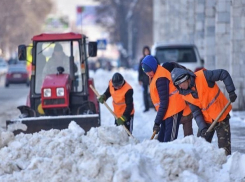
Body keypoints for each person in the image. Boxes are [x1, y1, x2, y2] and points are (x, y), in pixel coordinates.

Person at [171, 67, 237, 155]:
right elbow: (196, 112)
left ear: (185, 78)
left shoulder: (203, 76)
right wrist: (202, 127)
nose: (180, 86)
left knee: (224, 151)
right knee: (200, 149)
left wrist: (231, 91)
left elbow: (223, 73)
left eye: (180, 83)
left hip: (221, 115)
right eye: (177, 85)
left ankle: (226, 167)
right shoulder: (185, 94)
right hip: (206, 121)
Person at [141, 55, 186, 142]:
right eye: (146, 72)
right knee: (161, 139)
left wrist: (157, 122)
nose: (148, 74)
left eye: (149, 71)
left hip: (174, 109)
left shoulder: (160, 78)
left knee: (169, 141)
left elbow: (164, 102)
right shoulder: (155, 74)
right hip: (166, 111)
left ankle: (171, 155)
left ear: (153, 67)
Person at [161, 62, 193, 137]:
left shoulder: (181, 76)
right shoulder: (178, 72)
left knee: (187, 136)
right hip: (177, 110)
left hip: (184, 109)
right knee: (171, 132)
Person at [138, 46, 151, 112]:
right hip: (144, 79)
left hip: (152, 79)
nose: (146, 52)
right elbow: (140, 70)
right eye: (145, 51)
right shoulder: (141, 60)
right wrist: (139, 79)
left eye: (147, 51)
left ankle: (155, 106)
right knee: (145, 94)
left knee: (153, 93)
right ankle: (147, 107)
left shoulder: (153, 59)